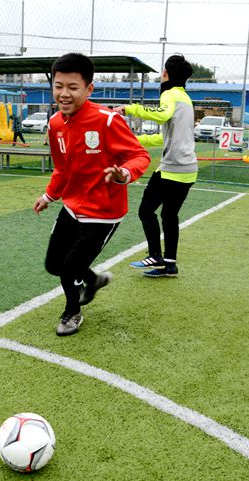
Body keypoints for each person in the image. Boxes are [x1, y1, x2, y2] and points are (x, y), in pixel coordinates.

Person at [33, 53, 151, 336]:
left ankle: (72, 312)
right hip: (72, 207)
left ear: (88, 89)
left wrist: (124, 173)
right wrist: (49, 196)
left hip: (103, 213)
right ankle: (94, 280)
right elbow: (62, 168)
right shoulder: (55, 124)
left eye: (72, 87)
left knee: (69, 268)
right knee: (54, 265)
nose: (64, 93)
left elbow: (140, 155)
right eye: (59, 86)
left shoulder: (107, 121)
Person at [114, 54, 198, 278]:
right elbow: (164, 137)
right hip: (189, 170)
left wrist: (130, 109)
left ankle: (155, 256)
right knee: (169, 216)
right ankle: (169, 265)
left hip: (173, 169)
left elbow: (163, 115)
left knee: (145, 211)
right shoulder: (185, 98)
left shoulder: (169, 94)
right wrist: (135, 140)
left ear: (166, 74)